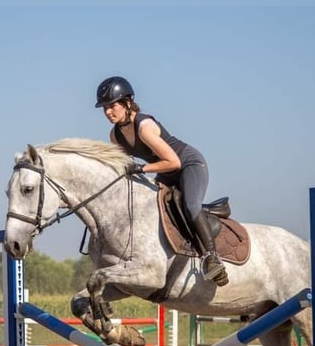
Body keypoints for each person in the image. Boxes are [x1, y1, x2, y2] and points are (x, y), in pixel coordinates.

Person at [93, 75, 228, 286]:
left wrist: (141, 168)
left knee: (191, 206)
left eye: (112, 106)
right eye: (104, 108)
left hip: (188, 164)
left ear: (127, 103)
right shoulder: (115, 135)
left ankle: (212, 258)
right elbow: (124, 165)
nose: (108, 112)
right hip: (164, 170)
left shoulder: (144, 126)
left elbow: (173, 162)